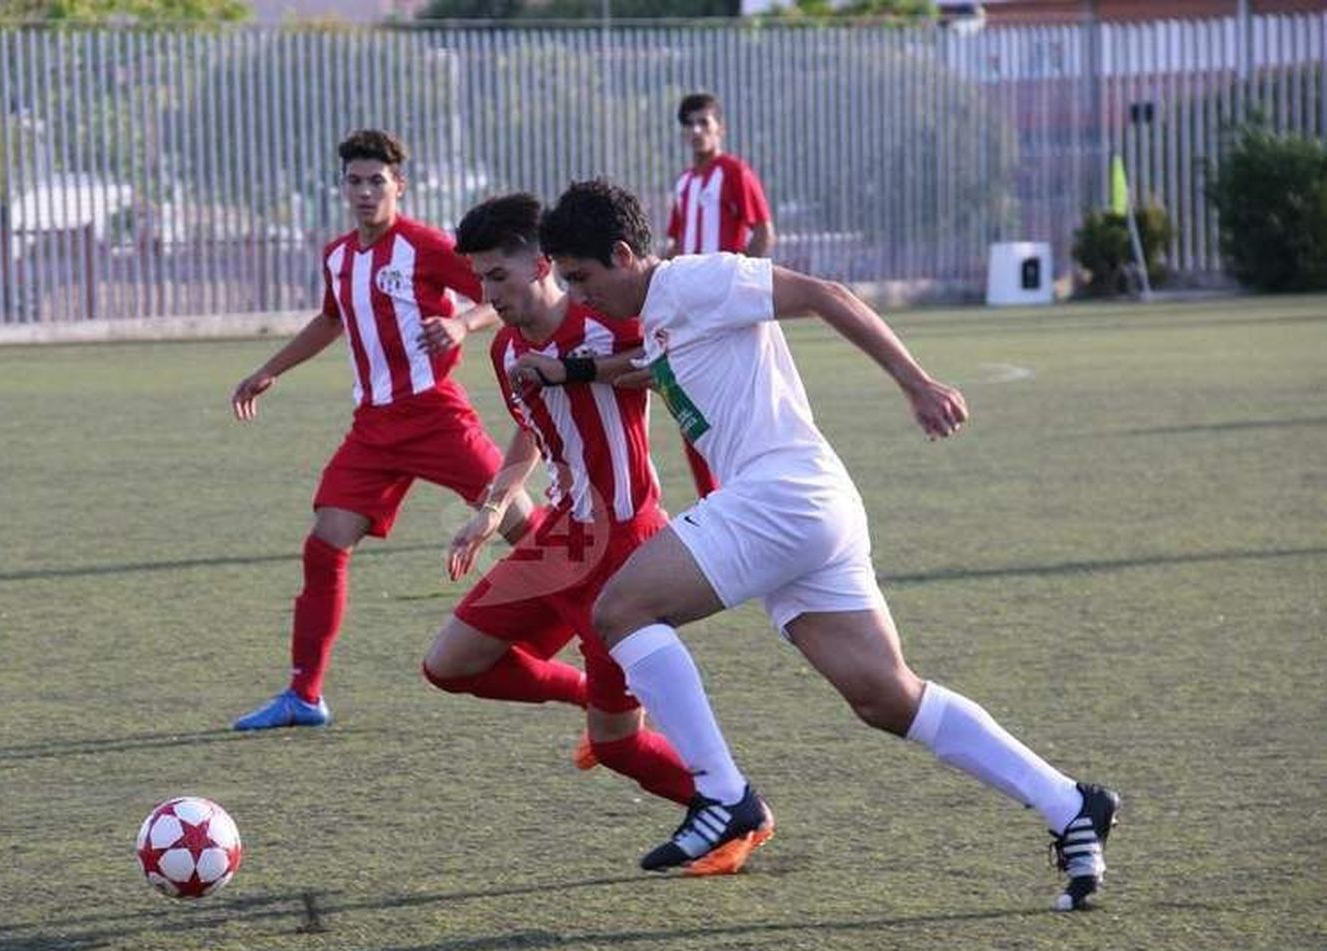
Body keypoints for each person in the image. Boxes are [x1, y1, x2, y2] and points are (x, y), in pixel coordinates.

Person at [539, 178, 1119, 911]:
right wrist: (573, 371)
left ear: (624, 255)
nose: (577, 294)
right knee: (886, 696)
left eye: (582, 278)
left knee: (620, 609)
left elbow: (824, 293)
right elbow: (655, 367)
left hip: (780, 494)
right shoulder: (662, 316)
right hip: (808, 507)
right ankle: (1070, 803)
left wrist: (916, 382)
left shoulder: (695, 279)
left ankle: (723, 797)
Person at [419, 193, 770, 876]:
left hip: (624, 546)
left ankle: (739, 809)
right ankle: (585, 690)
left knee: (616, 747)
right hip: (558, 534)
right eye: (480, 281)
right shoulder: (505, 346)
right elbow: (532, 425)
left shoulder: (608, 319)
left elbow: (661, 367)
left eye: (498, 277)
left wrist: (575, 369)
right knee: (450, 664)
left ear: (544, 261)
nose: (488, 294)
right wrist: (494, 506)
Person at [229, 130, 536, 731]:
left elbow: (504, 293)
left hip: (436, 415)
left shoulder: (424, 245)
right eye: (355, 181)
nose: (365, 191)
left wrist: (462, 322)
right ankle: (304, 695)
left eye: (377, 180)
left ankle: (605, 634)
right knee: (325, 545)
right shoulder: (338, 256)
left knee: (529, 530)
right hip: (372, 429)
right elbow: (329, 319)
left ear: (400, 185)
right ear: (342, 187)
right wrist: (270, 369)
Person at [664, 91, 776, 503]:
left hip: (721, 308)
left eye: (703, 124)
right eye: (689, 125)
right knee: (687, 408)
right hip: (686, 311)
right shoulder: (684, 182)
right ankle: (714, 501)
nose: (696, 132)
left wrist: (740, 288)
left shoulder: (733, 172)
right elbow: (677, 245)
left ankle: (747, 497)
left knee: (735, 409)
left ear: (719, 128)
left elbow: (763, 231)